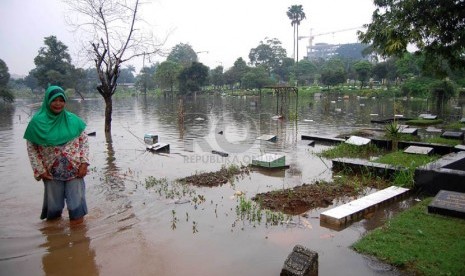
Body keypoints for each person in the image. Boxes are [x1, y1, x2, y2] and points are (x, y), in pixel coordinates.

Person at [24, 85, 89, 225]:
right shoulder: (36, 123)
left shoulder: (74, 121)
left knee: (77, 208)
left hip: (75, 170)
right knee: (53, 211)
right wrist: (40, 170)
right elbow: (32, 149)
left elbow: (84, 142)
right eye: (54, 100)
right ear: (48, 101)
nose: (58, 104)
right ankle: (55, 239)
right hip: (50, 172)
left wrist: (84, 163)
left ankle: (79, 241)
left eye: (61, 100)